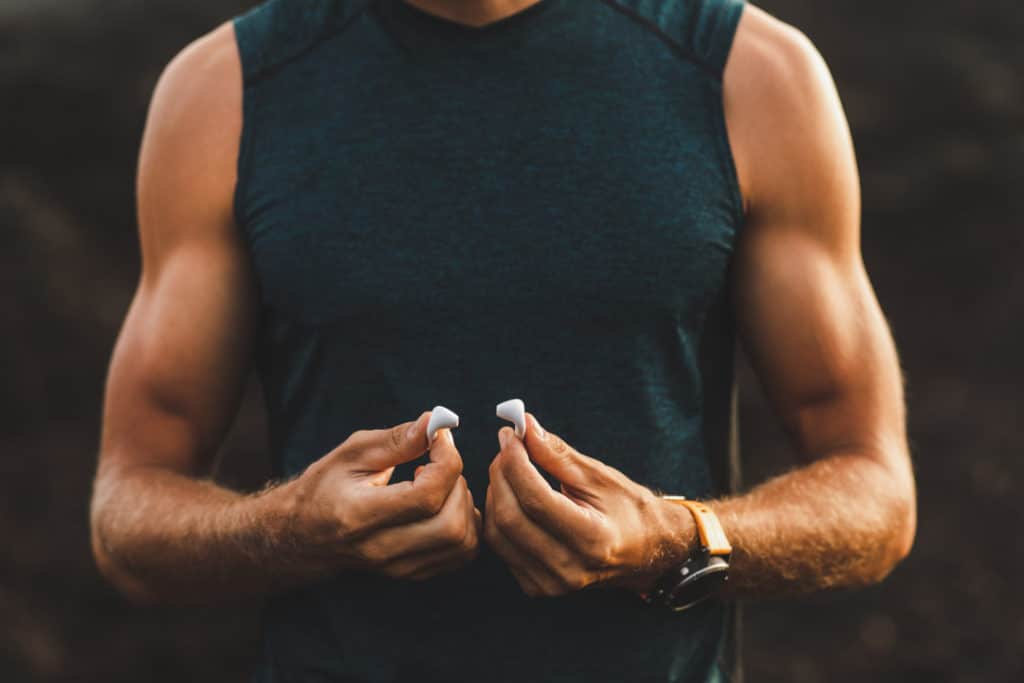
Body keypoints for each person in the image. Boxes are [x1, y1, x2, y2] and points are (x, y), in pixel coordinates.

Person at [89, 0, 916, 681]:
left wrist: (674, 541)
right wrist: (292, 530)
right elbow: (128, 511)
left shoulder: (752, 77)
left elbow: (877, 493)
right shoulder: (223, 92)